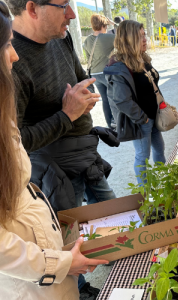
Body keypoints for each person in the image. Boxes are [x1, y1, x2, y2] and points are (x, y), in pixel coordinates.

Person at [8, 0, 117, 297]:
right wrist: (67, 115)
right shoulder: (11, 64)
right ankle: (81, 291)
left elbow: (81, 75)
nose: (71, 14)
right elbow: (15, 144)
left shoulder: (61, 35)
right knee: (68, 242)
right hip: (53, 170)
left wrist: (87, 92)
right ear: (32, 8)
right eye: (64, 5)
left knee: (119, 224)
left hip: (86, 153)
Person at [104, 20, 166, 184]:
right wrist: (142, 119)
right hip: (141, 121)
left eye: (144, 34)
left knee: (160, 150)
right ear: (128, 39)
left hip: (153, 116)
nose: (145, 39)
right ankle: (144, 194)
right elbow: (121, 100)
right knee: (142, 157)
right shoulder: (119, 65)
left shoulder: (141, 58)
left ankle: (162, 182)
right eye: (139, 36)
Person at [83, 14, 116, 129]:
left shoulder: (87, 40)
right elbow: (124, 35)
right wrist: (115, 24)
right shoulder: (107, 38)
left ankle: (110, 124)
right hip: (105, 73)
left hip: (94, 74)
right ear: (104, 25)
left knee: (105, 99)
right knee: (114, 96)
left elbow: (88, 57)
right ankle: (117, 121)